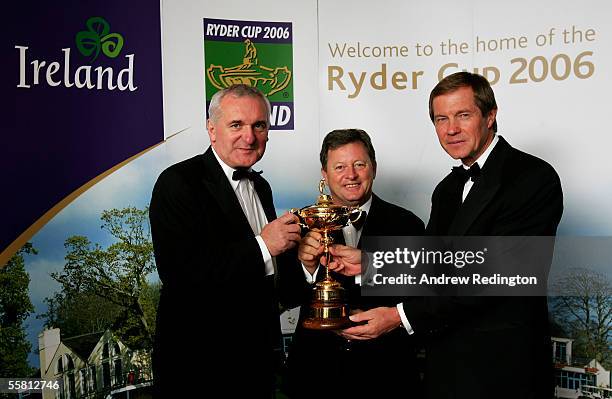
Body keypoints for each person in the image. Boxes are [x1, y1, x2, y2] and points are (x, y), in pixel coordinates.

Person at [331, 72, 563, 398]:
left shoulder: (532, 178)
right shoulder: (447, 189)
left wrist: (399, 316)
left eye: (462, 115)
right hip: (446, 368)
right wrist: (369, 265)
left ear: (490, 115)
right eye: (441, 118)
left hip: (504, 372)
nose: (451, 128)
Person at [149, 84, 301, 397]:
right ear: (212, 129)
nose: (249, 136)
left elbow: (272, 281)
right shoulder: (178, 183)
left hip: (257, 365)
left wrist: (305, 262)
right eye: (237, 125)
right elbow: (182, 276)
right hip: (199, 370)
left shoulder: (262, 187)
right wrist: (263, 245)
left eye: (259, 125)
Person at [278, 129, 425, 398]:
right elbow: (284, 296)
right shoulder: (300, 224)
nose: (351, 175)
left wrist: (371, 268)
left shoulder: (408, 224)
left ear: (374, 168)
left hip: (387, 374)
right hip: (315, 376)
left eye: (359, 164)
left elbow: (422, 297)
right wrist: (307, 267)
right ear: (324, 174)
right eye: (340, 167)